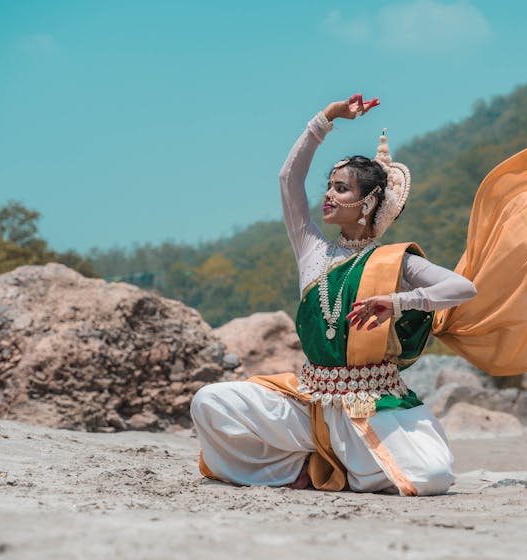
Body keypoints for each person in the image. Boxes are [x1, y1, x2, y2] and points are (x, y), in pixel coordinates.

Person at [190, 95, 477, 496]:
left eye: (340, 189)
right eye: (328, 186)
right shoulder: (312, 249)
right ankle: (312, 462)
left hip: (372, 403)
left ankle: (338, 462)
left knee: (431, 476)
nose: (328, 195)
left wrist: (397, 302)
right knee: (209, 401)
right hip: (309, 401)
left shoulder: (394, 262)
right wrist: (325, 120)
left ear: (369, 201)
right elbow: (288, 180)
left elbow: (463, 288)